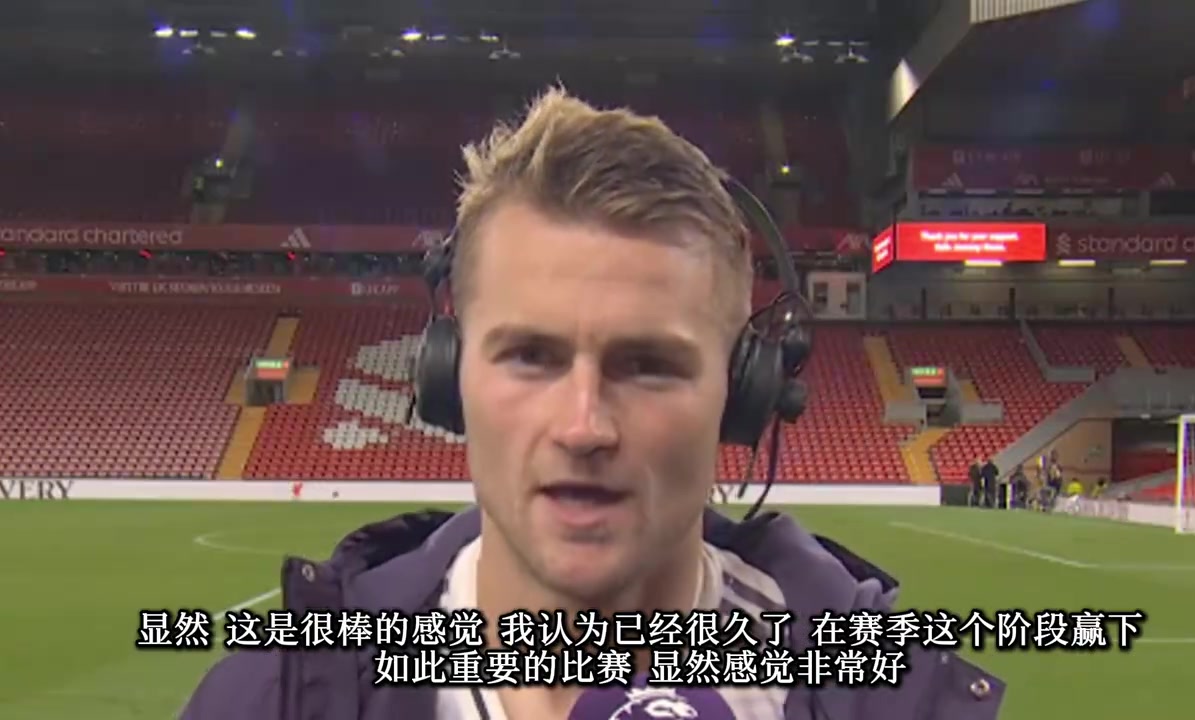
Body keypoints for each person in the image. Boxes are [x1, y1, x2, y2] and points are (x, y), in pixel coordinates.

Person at [179, 87, 1004, 719]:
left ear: (744, 392)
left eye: (649, 366)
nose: (583, 426)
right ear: (448, 377)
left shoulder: (890, 700)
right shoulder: (277, 701)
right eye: (530, 357)